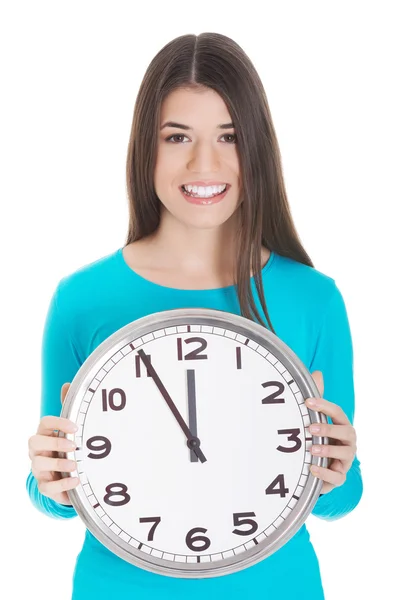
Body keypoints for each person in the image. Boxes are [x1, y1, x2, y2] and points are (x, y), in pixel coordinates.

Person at [26, 32, 363, 600]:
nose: (203, 163)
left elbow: (343, 495)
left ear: (255, 148)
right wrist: (48, 479)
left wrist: (337, 470)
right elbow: (56, 494)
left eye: (228, 137)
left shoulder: (314, 298)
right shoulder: (82, 298)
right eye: (177, 136)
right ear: (146, 150)